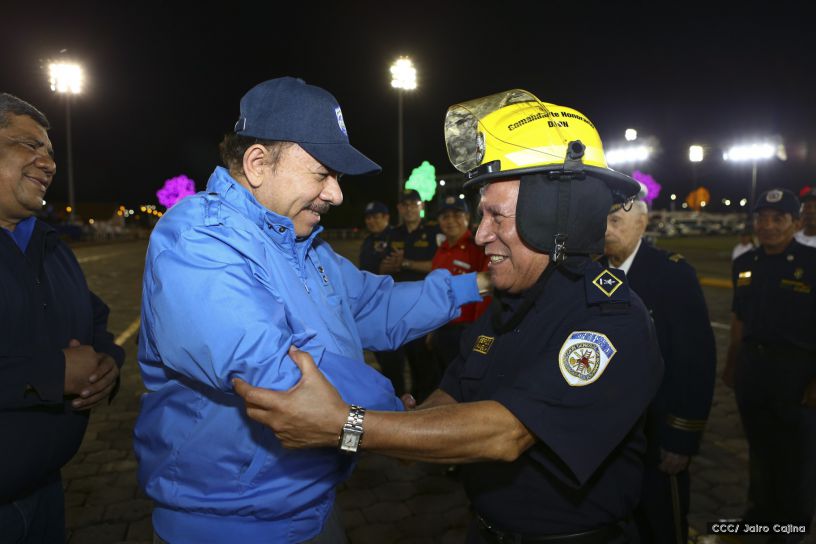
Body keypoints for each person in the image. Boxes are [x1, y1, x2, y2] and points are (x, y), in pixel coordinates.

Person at [235, 88, 664, 544]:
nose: (480, 235)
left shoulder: (609, 319)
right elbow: (456, 392)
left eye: (497, 217)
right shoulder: (511, 303)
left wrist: (349, 426)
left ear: (558, 217)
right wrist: (402, 430)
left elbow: (504, 433)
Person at [133, 76, 489, 544]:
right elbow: (276, 374)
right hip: (229, 524)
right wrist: (396, 424)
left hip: (312, 506)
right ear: (258, 163)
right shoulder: (197, 241)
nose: (337, 194)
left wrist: (479, 283)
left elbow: (374, 305)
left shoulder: (303, 243)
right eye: (323, 173)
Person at [0, 93, 124, 542]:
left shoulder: (51, 246)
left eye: (50, 153)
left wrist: (109, 361)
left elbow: (94, 316)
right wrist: (50, 374)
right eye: (29, 145)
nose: (48, 162)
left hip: (47, 493)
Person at [604, 199, 716, 544]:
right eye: (599, 221)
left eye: (615, 221)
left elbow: (695, 360)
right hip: (605, 433)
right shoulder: (591, 273)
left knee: (661, 523)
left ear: (642, 223)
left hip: (657, 431)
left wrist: (682, 437)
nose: (605, 230)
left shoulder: (672, 273)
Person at [722, 188, 816, 537]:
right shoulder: (745, 263)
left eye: (778, 219)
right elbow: (739, 318)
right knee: (760, 450)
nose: (768, 225)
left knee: (798, 457)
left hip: (797, 374)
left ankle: (793, 524)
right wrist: (732, 364)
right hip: (753, 372)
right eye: (762, 218)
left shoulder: (811, 264)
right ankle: (761, 513)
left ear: (795, 223)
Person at [378, 188, 442, 401]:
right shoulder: (392, 234)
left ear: (422, 206)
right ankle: (403, 403)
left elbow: (439, 266)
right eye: (405, 205)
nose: (409, 209)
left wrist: (406, 263)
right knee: (397, 362)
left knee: (423, 363)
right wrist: (389, 266)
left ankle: (425, 405)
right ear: (399, 208)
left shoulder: (434, 232)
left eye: (414, 204)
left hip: (424, 308)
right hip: (397, 310)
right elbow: (383, 268)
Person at [428, 194, 491, 373]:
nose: (451, 221)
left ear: (467, 217)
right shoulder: (441, 250)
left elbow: (487, 293)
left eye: (457, 215)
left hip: (467, 331)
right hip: (442, 328)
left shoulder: (478, 248)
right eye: (445, 216)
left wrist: (478, 333)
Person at [357, 200, 407, 392]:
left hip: (396, 310)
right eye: (369, 217)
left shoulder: (397, 236)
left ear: (386, 217)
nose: (372, 221)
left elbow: (395, 266)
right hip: (375, 312)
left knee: (398, 364)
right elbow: (365, 272)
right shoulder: (368, 242)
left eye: (377, 216)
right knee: (385, 363)